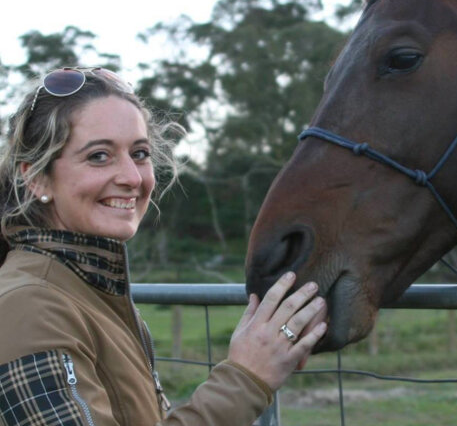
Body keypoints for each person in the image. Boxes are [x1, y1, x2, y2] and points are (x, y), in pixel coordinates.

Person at [0, 67, 328, 426]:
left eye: (139, 153)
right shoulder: (29, 304)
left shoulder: (88, 288)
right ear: (34, 177)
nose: (132, 178)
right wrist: (245, 380)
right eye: (99, 156)